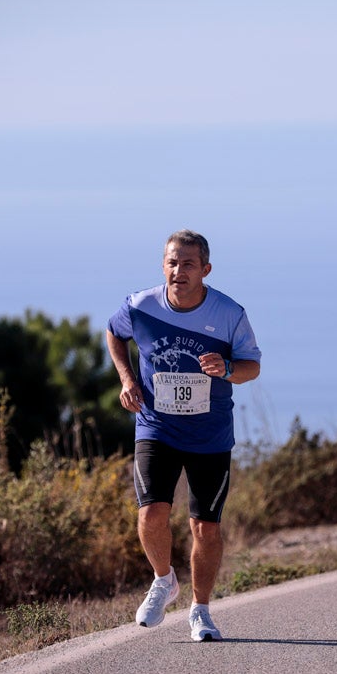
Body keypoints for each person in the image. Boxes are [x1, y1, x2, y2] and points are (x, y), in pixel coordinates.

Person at [106, 230, 261, 642]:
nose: (179, 271)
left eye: (189, 264)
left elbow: (252, 366)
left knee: (205, 528)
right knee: (150, 514)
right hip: (155, 426)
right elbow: (113, 333)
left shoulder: (229, 313)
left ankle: (201, 610)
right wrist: (126, 379)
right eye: (173, 263)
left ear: (205, 269)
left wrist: (227, 369)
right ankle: (163, 580)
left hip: (209, 435)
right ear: (163, 266)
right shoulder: (140, 305)